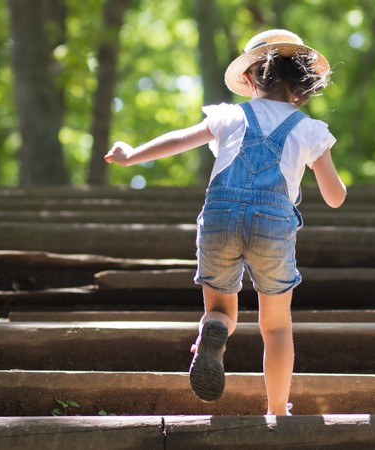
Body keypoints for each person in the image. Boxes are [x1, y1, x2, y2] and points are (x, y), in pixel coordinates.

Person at [105, 29, 345, 416]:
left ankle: (215, 329)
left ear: (249, 80)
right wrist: (321, 166)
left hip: (219, 218)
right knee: (277, 326)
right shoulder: (310, 130)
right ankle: (278, 410)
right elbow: (335, 198)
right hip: (273, 225)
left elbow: (179, 139)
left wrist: (131, 156)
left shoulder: (229, 115)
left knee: (220, 309)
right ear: (302, 86)